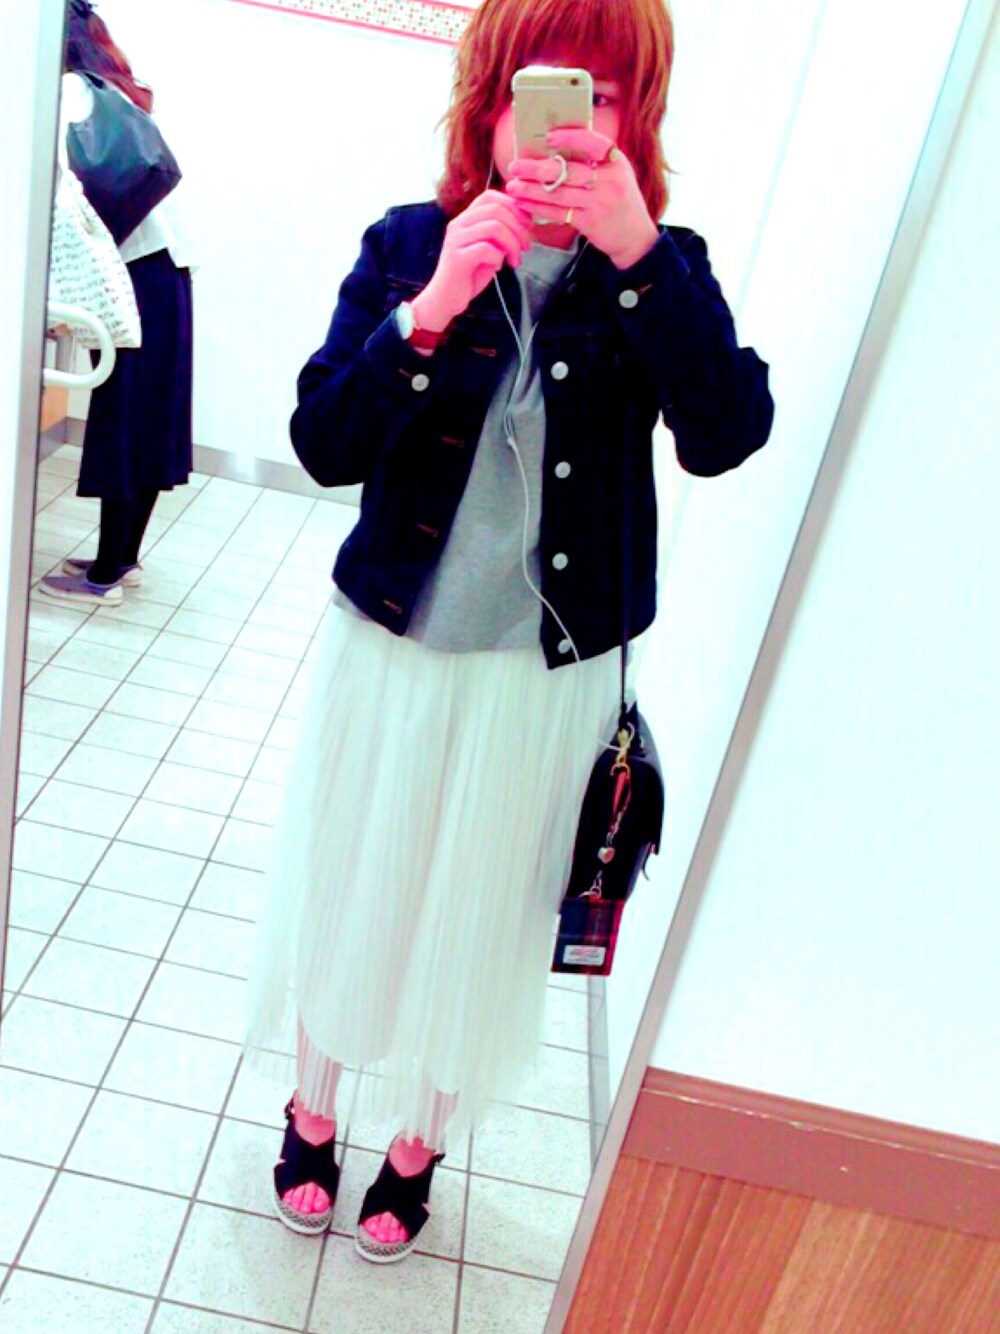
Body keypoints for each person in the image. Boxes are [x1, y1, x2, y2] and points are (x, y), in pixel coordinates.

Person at [244, 0, 774, 1264]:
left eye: (600, 96)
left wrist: (641, 260)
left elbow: (725, 432)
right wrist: (427, 311)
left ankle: (417, 1140)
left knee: (480, 913)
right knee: (359, 880)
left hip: (548, 672)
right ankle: (314, 1110)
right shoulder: (408, 242)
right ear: (488, 105)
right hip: (394, 644)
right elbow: (323, 443)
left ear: (633, 118)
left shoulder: (661, 266)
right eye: (540, 92)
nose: (562, 128)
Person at [39, 0, 195, 609]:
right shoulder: (118, 92)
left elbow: (51, 188)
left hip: (133, 274)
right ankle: (122, 559)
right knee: (149, 420)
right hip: (168, 273)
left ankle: (103, 576)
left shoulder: (68, 91)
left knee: (125, 420)